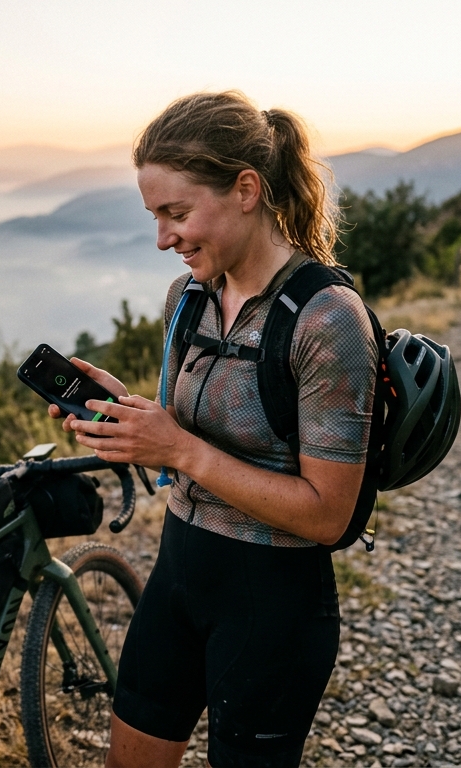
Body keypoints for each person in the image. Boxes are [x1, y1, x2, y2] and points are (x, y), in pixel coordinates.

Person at [49, 91, 378, 767]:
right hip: (178, 572)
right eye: (155, 216)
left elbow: (326, 516)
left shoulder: (328, 320)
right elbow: (187, 445)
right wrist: (130, 417)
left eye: (177, 212)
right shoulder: (189, 299)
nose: (163, 238)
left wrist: (180, 449)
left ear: (247, 189)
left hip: (273, 603)